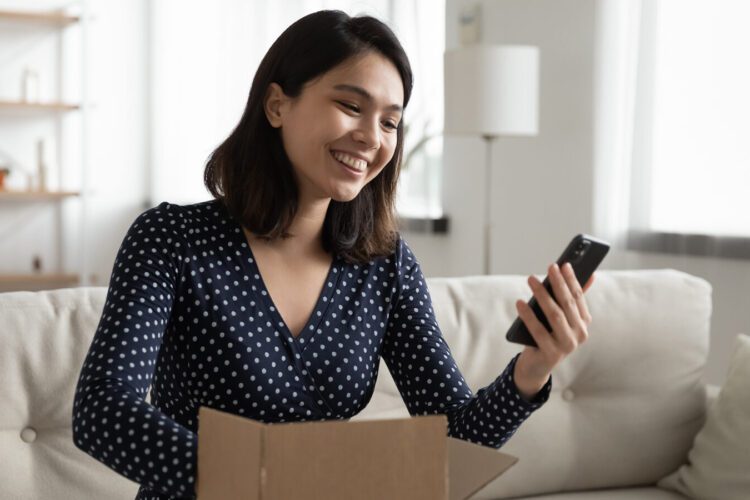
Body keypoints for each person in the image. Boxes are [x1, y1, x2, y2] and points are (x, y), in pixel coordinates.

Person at [72, 9, 595, 500]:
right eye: (351, 106)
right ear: (277, 104)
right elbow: (101, 411)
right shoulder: (171, 239)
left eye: (390, 122)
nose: (372, 137)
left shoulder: (384, 266)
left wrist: (532, 369)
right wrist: (257, 483)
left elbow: (453, 441)